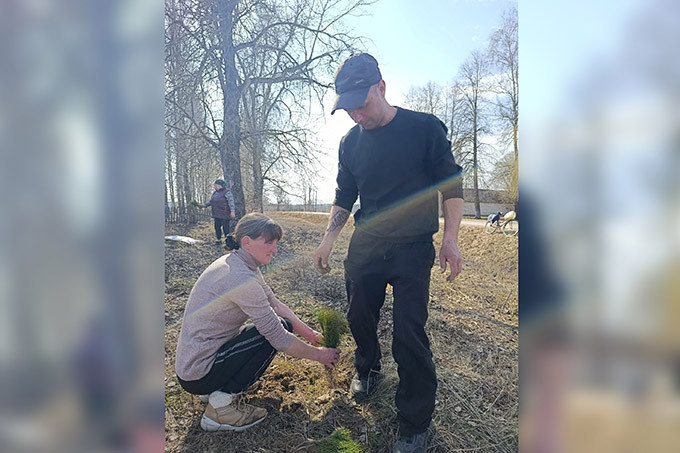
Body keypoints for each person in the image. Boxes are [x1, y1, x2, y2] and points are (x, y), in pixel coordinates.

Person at [313, 53, 464, 453]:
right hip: (367, 242)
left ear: (381, 88)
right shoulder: (350, 143)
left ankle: (415, 422)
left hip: (412, 246)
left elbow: (451, 185)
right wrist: (328, 239)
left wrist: (450, 239)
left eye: (361, 104)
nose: (356, 115)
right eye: (348, 109)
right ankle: (367, 367)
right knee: (358, 314)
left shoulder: (424, 128)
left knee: (408, 333)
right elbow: (345, 194)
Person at [175, 213, 340, 432]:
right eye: (269, 242)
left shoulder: (241, 264)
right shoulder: (240, 278)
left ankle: (218, 388)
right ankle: (220, 408)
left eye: (276, 243)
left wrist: (311, 335)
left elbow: (275, 305)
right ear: (247, 242)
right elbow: (278, 338)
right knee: (270, 334)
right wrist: (320, 355)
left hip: (199, 362)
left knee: (280, 325)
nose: (275, 249)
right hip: (198, 372)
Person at [203, 179, 236, 243]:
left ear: (219, 185)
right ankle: (219, 239)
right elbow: (211, 201)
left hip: (224, 214)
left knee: (226, 228)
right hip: (216, 214)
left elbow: (231, 202)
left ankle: (228, 241)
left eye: (215, 185)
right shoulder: (215, 193)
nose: (214, 186)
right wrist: (204, 205)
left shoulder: (227, 192)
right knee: (217, 227)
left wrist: (232, 211)